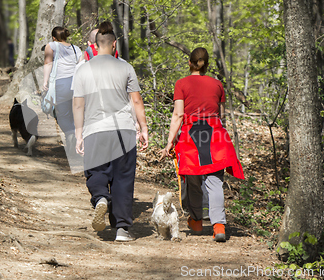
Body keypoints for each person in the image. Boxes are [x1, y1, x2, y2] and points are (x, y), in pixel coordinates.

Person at [72, 21, 148, 242]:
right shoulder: (125, 67)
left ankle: (100, 198)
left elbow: (78, 105)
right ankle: (122, 229)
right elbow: (136, 101)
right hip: (123, 130)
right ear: (114, 44)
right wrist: (143, 128)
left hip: (95, 129)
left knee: (96, 171)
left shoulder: (83, 69)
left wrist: (78, 134)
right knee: (123, 178)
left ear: (95, 46)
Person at [160, 47, 244, 242]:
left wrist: (169, 142)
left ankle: (196, 221)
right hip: (215, 135)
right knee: (215, 182)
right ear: (207, 65)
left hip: (191, 137)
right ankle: (219, 225)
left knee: (194, 181)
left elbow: (178, 114)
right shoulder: (217, 85)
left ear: (190, 63)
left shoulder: (181, 83)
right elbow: (221, 115)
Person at [42, 27, 82, 153]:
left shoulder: (51, 45)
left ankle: (70, 134)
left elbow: (48, 63)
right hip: (77, 84)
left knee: (61, 114)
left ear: (54, 37)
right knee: (75, 112)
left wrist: (45, 81)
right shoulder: (76, 48)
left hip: (62, 83)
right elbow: (81, 66)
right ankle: (77, 137)